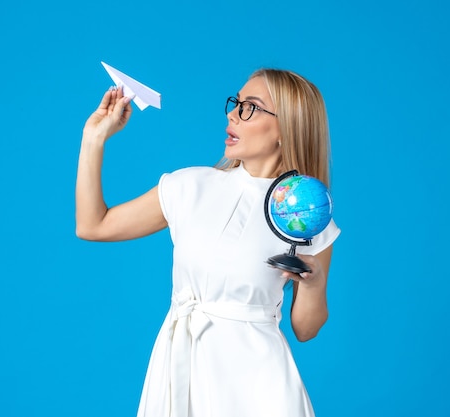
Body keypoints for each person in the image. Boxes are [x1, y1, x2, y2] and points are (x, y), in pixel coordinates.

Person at [75, 68, 341, 417]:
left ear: (287, 128)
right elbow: (93, 225)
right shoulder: (189, 186)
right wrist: (93, 139)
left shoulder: (307, 213)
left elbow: (306, 329)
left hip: (259, 387)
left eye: (251, 108)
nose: (233, 113)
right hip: (180, 365)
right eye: (236, 103)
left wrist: (314, 281)